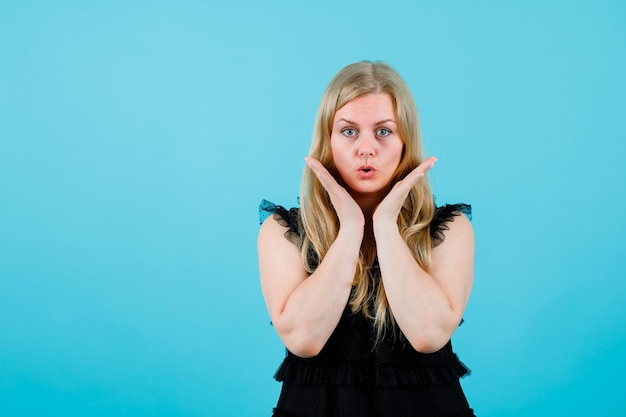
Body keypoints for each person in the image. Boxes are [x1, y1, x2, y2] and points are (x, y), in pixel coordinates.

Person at [258, 61, 475, 417]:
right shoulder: (283, 233)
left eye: (384, 132)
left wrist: (386, 225)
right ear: (327, 140)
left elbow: (428, 335)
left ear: (406, 140)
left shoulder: (449, 229)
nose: (366, 148)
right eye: (348, 131)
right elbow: (303, 341)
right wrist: (351, 229)